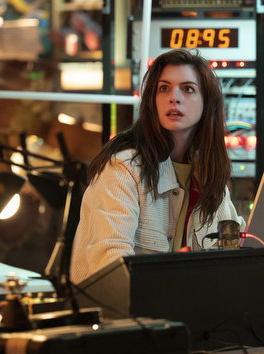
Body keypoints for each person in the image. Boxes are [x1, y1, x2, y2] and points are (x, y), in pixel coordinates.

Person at [70, 48, 246, 283]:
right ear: (152, 100)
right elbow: (111, 267)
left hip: (189, 313)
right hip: (122, 316)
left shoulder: (209, 175)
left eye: (187, 89)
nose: (174, 97)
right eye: (164, 88)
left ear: (207, 104)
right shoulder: (123, 169)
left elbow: (233, 256)